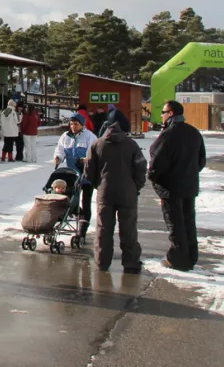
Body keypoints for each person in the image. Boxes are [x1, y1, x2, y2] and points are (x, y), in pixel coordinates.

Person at [148, 100, 206, 272]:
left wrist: (154, 178)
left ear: (171, 114)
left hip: (170, 187)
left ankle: (178, 259)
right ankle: (191, 256)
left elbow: (156, 161)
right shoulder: (194, 133)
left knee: (175, 224)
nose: (162, 116)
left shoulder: (168, 135)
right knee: (188, 221)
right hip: (189, 185)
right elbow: (201, 160)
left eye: (164, 112)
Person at [85, 122, 147, 274]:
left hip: (105, 192)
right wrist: (135, 186)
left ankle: (102, 262)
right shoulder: (131, 144)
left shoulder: (97, 144)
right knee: (129, 228)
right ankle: (131, 263)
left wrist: (98, 185)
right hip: (128, 192)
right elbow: (141, 167)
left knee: (103, 228)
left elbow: (89, 170)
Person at [53, 114, 98, 241]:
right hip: (72, 175)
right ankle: (78, 213)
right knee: (70, 199)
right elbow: (60, 150)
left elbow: (93, 153)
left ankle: (82, 230)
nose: (73, 127)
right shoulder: (65, 136)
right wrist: (58, 158)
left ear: (82, 125)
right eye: (71, 124)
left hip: (86, 174)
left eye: (76, 124)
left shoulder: (90, 137)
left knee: (86, 201)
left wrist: (86, 160)